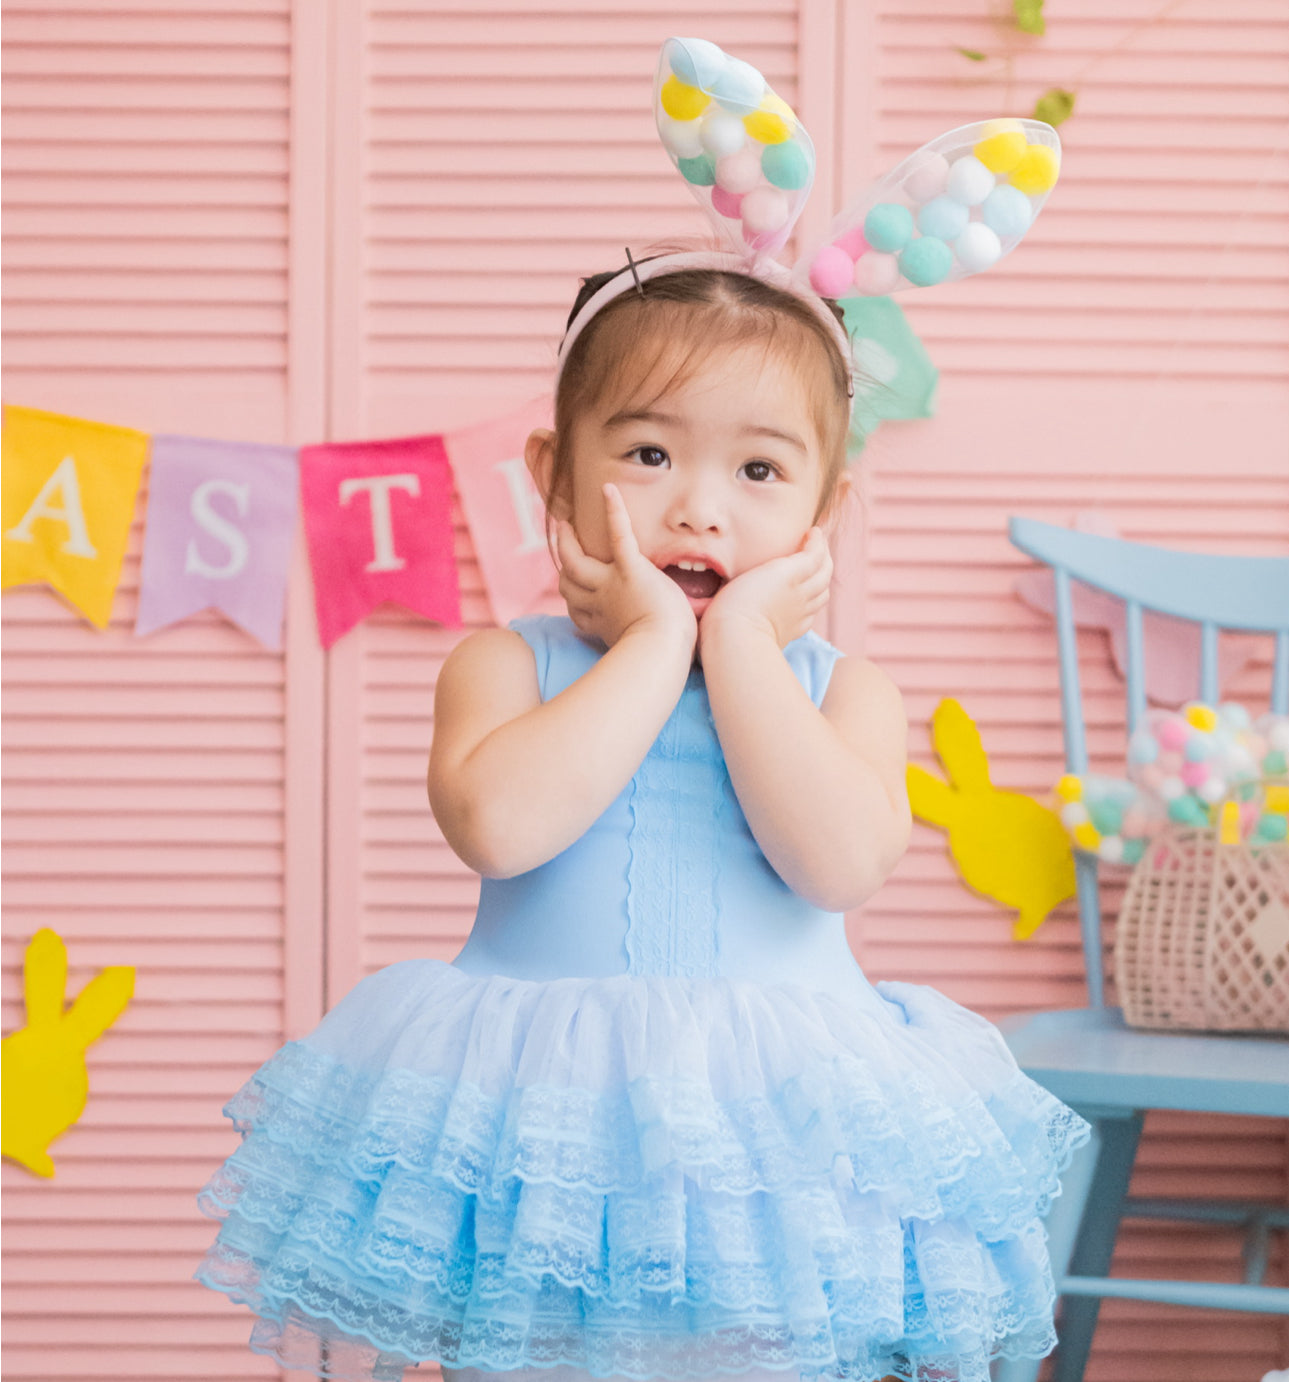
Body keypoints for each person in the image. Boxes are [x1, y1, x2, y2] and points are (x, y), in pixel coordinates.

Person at [194, 39, 1088, 1382]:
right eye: (650, 452)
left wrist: (739, 648)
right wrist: (656, 638)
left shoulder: (842, 690)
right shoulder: (507, 664)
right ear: (556, 475)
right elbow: (501, 827)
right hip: (545, 1120)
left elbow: (839, 863)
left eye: (759, 471)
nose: (699, 508)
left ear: (826, 510)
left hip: (776, 1138)